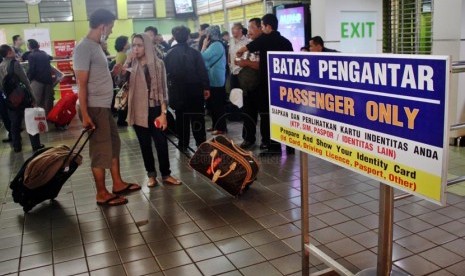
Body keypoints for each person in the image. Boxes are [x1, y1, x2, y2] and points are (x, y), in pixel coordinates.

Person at [73, 9, 140, 207]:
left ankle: (117, 183)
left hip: (103, 107)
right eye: (110, 27)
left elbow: (95, 77)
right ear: (102, 26)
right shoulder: (84, 48)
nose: (110, 32)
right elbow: (82, 84)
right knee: (100, 150)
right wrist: (85, 115)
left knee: (113, 144)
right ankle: (101, 193)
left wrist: (112, 72)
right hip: (95, 108)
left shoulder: (95, 46)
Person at [125, 33, 181, 187]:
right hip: (137, 109)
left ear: (147, 46)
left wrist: (163, 114)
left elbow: (163, 90)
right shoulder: (131, 63)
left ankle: (166, 174)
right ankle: (151, 175)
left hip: (155, 108)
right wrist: (126, 65)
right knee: (144, 144)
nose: (136, 48)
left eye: (139, 45)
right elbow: (121, 84)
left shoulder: (158, 64)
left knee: (161, 142)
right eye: (134, 45)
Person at [236, 14, 294, 155]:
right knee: (282, 115)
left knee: (268, 115)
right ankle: (289, 146)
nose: (261, 29)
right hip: (283, 85)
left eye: (260, 26)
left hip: (266, 85)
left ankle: (272, 146)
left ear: (267, 27)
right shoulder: (286, 42)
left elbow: (246, 48)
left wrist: (240, 51)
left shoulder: (265, 39)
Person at [165, 26, 210, 155]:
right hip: (195, 90)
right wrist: (206, 87)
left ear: (174, 37)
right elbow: (202, 71)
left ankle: (183, 144)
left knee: (181, 118)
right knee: (197, 117)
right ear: (188, 37)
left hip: (177, 91)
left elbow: (165, 74)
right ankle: (201, 143)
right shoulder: (195, 53)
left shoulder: (168, 54)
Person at [0, 44, 44, 153]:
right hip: (22, 98)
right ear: (9, 53)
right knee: (30, 120)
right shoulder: (15, 64)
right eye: (12, 50)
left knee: (14, 123)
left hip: (10, 100)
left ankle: (17, 146)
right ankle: (36, 145)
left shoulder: (0, 65)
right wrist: (33, 97)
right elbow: (25, 81)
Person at [234, 18, 262, 150]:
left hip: (259, 84)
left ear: (260, 28)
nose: (249, 30)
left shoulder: (262, 44)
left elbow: (262, 65)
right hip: (246, 84)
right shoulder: (248, 43)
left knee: (263, 115)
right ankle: (248, 138)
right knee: (248, 113)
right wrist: (239, 61)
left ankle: (266, 141)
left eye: (252, 27)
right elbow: (241, 60)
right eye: (248, 27)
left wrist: (246, 63)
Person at [201, 25, 227, 135]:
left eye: (207, 33)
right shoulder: (215, 44)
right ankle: (215, 125)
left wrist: (203, 45)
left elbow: (203, 56)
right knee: (213, 104)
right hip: (214, 78)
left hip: (216, 79)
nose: (206, 36)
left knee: (218, 105)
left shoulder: (216, 45)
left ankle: (221, 127)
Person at [27, 39, 54, 115]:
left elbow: (32, 70)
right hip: (48, 80)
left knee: (37, 101)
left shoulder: (31, 55)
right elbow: (51, 58)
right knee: (48, 101)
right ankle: (49, 119)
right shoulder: (44, 53)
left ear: (29, 47)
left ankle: (39, 121)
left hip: (38, 81)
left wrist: (29, 80)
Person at [114, 35, 129, 126]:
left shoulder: (120, 54)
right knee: (123, 101)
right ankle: (121, 120)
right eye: (127, 42)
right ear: (123, 45)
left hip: (120, 81)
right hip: (123, 81)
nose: (129, 44)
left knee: (122, 100)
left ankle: (121, 120)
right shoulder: (123, 55)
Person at [229, 23, 249, 90]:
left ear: (240, 30)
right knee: (234, 95)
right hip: (232, 72)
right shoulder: (231, 40)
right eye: (231, 29)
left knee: (243, 95)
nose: (232, 31)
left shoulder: (247, 42)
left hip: (242, 72)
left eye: (234, 29)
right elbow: (229, 54)